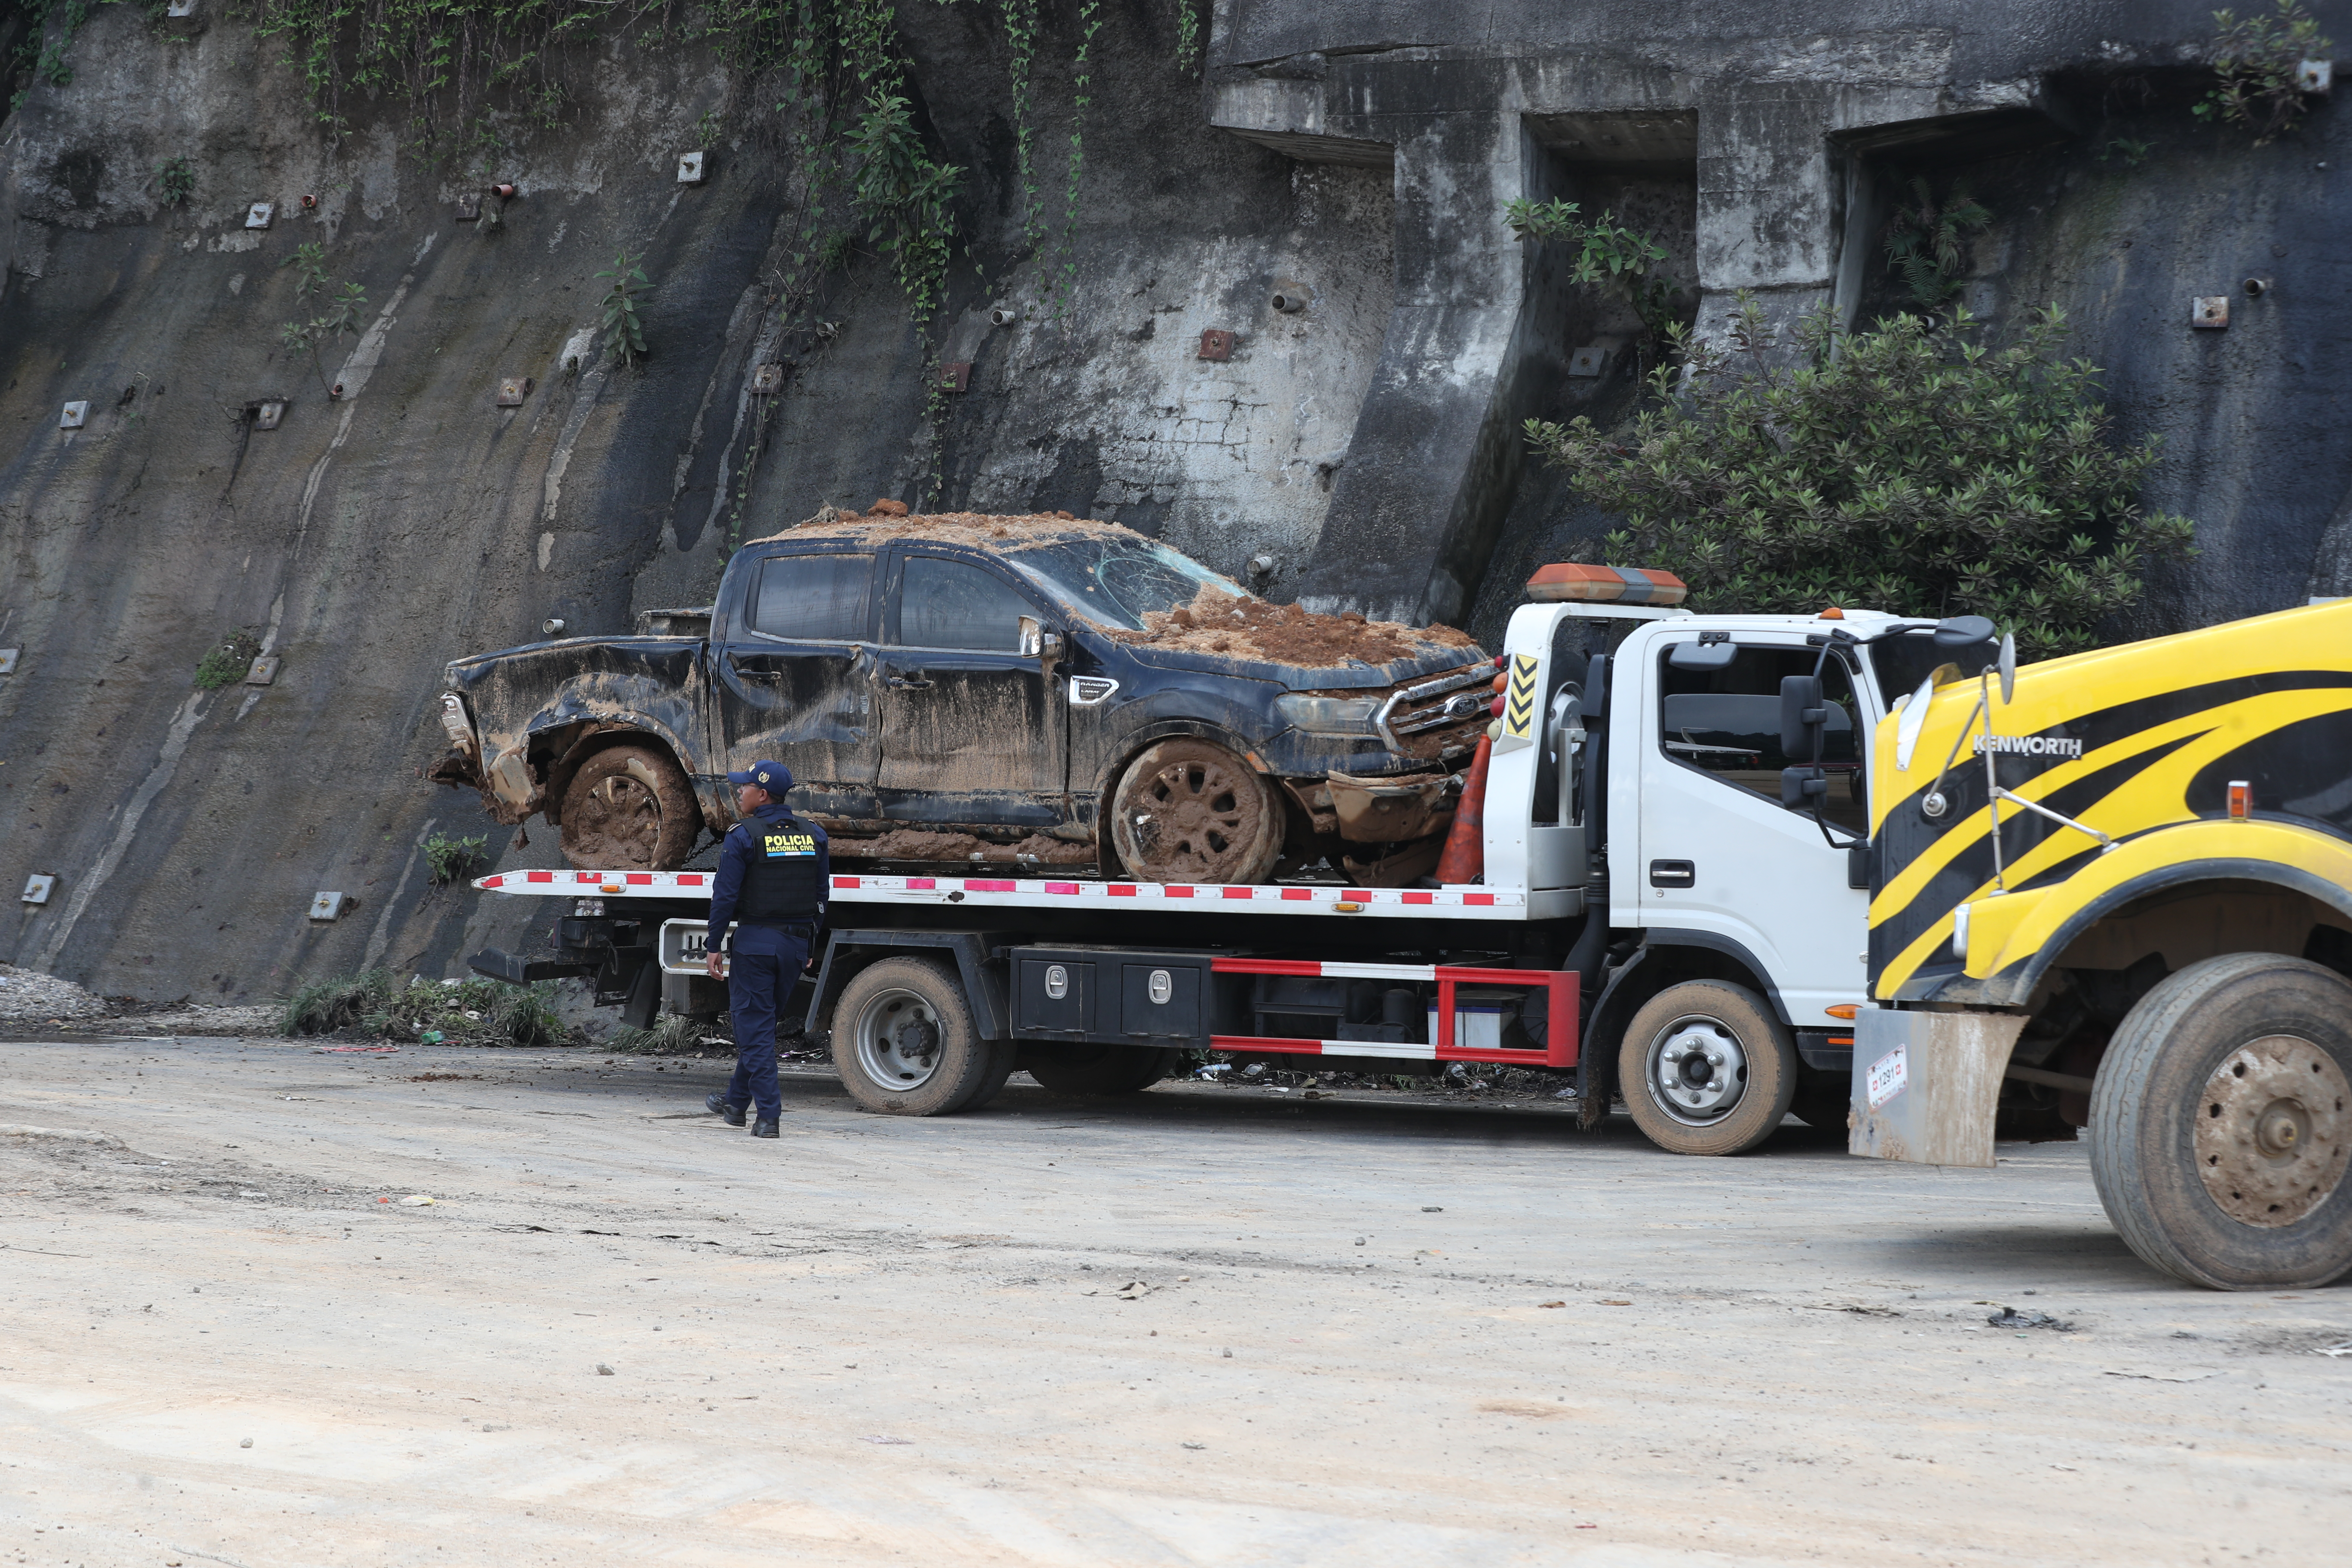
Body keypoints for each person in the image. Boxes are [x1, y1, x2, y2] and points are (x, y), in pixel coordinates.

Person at [701, 760, 828, 1138]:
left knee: (754, 1030)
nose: (739, 792)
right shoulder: (814, 835)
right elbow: (821, 896)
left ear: (762, 794)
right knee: (759, 1028)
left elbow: (724, 897)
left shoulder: (743, 836)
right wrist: (809, 941)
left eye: (744, 788)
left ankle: (768, 1117)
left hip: (756, 945)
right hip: (793, 945)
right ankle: (736, 1104)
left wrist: (713, 945)